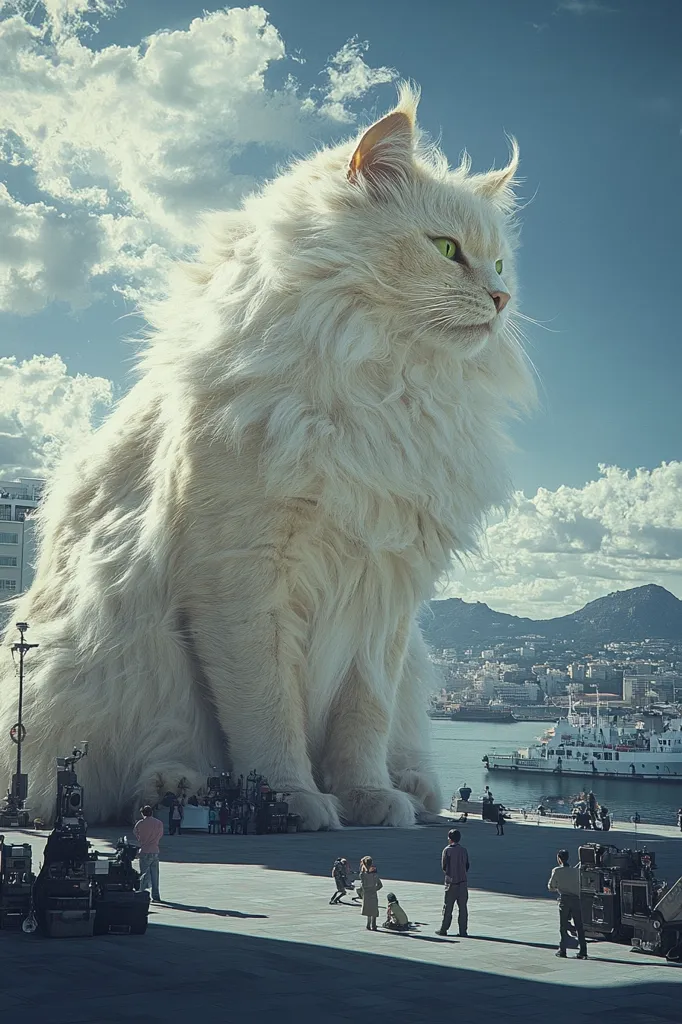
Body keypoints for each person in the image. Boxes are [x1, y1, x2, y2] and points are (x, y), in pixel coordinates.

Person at [547, 849, 587, 959]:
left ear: (559, 858)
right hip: (576, 899)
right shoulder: (576, 871)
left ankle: (562, 950)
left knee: (563, 926)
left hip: (564, 899)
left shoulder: (557, 870)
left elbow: (551, 886)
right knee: (579, 926)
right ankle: (583, 950)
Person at [436, 828, 469, 937]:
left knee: (448, 908)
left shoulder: (447, 850)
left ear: (450, 839)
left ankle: (443, 929)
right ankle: (463, 931)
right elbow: (467, 865)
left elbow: (444, 866)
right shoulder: (464, 850)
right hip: (463, 883)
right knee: (463, 909)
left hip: (451, 884)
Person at [134, 805, 164, 903]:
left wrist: (141, 840)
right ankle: (156, 895)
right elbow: (160, 834)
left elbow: (135, 832)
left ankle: (141, 893)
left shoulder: (140, 823)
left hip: (144, 850)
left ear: (143, 813)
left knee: (143, 874)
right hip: (155, 850)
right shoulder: (158, 823)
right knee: (155, 874)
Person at [359, 855, 382, 931]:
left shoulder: (362, 874)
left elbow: (362, 885)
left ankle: (368, 924)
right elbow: (380, 885)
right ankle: (374, 925)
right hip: (373, 892)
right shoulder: (374, 873)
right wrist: (374, 889)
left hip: (366, 893)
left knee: (368, 908)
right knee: (374, 909)